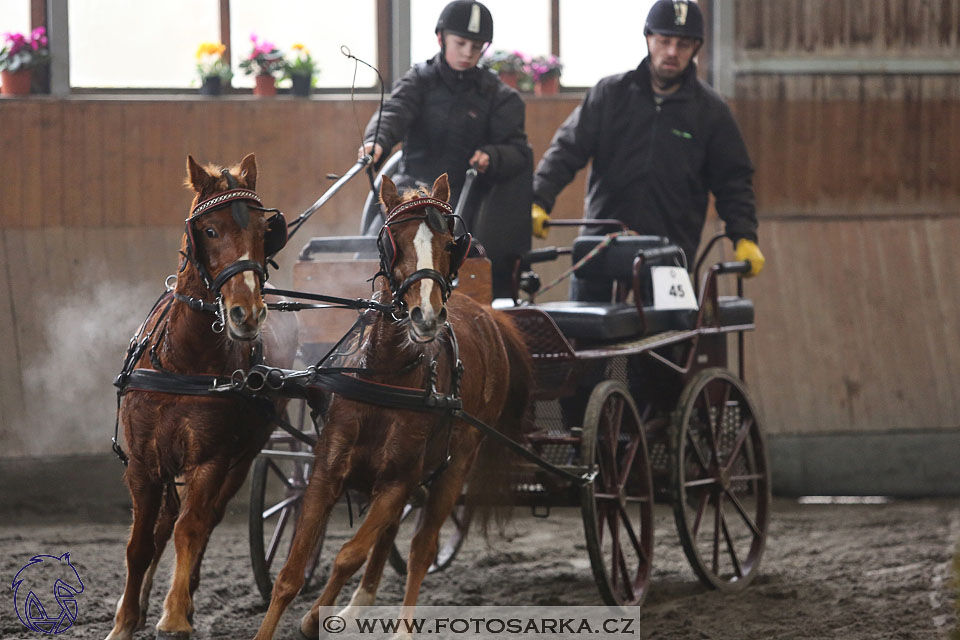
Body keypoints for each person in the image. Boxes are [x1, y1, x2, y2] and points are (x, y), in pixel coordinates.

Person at [530, 0, 765, 301]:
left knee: (668, 345)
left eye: (682, 44)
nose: (671, 52)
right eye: (664, 40)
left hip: (669, 256)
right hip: (601, 248)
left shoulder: (711, 111)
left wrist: (744, 236)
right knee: (586, 341)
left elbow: (734, 181)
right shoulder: (609, 94)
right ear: (648, 38)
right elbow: (566, 151)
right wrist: (539, 199)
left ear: (695, 49)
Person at [359, 1, 533, 298]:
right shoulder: (418, 81)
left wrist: (493, 155)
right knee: (377, 235)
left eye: (476, 46)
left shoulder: (500, 96)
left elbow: (518, 149)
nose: (468, 52)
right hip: (413, 189)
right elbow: (394, 112)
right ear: (441, 39)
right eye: (460, 43)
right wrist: (378, 140)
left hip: (469, 195)